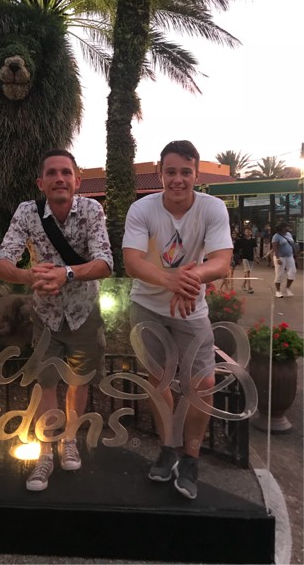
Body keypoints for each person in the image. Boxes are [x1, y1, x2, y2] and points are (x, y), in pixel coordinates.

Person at [0, 148, 113, 492]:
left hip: (83, 312)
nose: (59, 178)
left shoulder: (92, 210)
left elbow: (105, 262)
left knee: (78, 381)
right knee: (46, 383)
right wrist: (29, 277)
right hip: (45, 315)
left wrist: (66, 273)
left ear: (77, 180)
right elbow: (2, 261)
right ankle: (45, 450)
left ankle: (69, 439)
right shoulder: (27, 212)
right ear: (41, 183)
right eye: (52, 173)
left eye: (65, 172)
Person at [122, 140, 232, 500]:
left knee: (203, 382)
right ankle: (168, 448)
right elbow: (132, 262)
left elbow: (221, 261)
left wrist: (190, 281)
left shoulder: (212, 208)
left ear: (196, 174)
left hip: (191, 308)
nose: (178, 179)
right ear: (160, 173)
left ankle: (191, 458)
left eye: (186, 172)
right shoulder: (142, 209)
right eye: (171, 172)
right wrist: (172, 282)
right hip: (146, 305)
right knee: (159, 380)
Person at [271, 221, 297, 298]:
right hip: (280, 257)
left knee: (293, 272)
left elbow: (292, 244)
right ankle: (278, 291)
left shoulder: (289, 234)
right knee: (279, 274)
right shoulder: (276, 236)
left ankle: (288, 288)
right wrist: (278, 258)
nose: (288, 228)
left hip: (289, 256)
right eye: (286, 227)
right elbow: (275, 248)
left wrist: (295, 253)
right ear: (282, 228)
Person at [235, 226, 259, 293]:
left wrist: (256, 257)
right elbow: (240, 249)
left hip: (251, 257)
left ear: (251, 232)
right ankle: (249, 287)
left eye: (249, 231)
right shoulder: (242, 240)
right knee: (247, 271)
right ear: (244, 232)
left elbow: (255, 249)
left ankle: (243, 285)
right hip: (244, 257)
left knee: (247, 272)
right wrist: (239, 258)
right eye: (246, 231)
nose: (248, 232)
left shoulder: (253, 240)